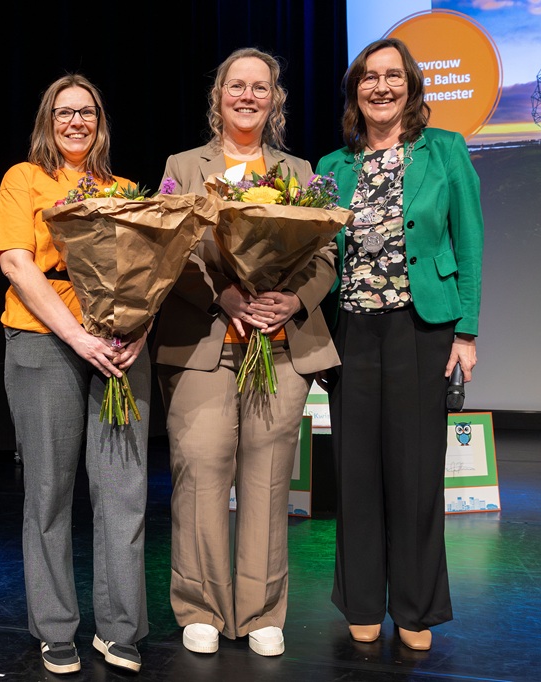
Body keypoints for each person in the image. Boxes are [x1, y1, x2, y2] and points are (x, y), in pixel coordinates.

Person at [153, 47, 340, 657]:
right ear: (219, 94)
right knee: (201, 475)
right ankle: (202, 607)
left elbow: (325, 257)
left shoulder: (299, 171)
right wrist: (223, 296)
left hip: (279, 347)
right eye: (237, 85)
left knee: (265, 481)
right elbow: (166, 250)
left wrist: (293, 301)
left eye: (260, 87)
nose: (248, 96)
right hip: (204, 344)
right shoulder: (183, 166)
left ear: (274, 98)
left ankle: (262, 611)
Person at [315, 37, 483, 651]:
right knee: (355, 472)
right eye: (368, 77)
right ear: (355, 90)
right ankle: (361, 600)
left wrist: (466, 331)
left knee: (415, 474)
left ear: (411, 86)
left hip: (422, 330)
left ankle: (414, 607)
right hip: (351, 332)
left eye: (393, 76)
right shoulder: (331, 167)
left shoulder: (444, 151)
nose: (381, 86)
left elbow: (469, 242)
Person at [0, 73, 151, 675]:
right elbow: (16, 264)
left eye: (87, 113)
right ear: (48, 122)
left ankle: (120, 628)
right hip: (43, 341)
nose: (76, 122)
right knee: (49, 493)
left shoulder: (126, 188)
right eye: (64, 113)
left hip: (117, 348)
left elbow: (147, 273)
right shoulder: (22, 179)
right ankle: (56, 627)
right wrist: (78, 337)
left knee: (123, 490)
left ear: (101, 122)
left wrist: (136, 332)